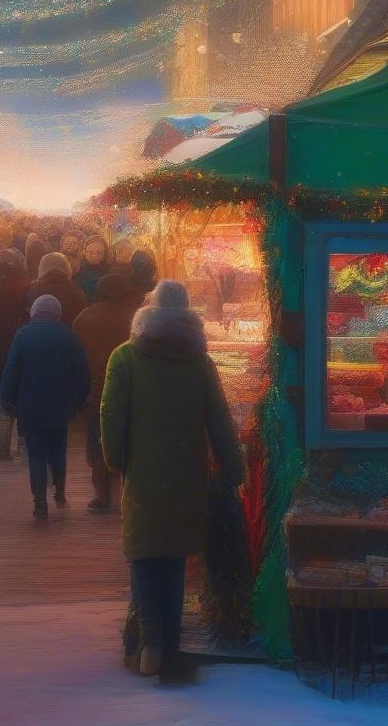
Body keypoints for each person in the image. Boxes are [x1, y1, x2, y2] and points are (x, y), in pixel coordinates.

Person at [100, 280, 244, 678]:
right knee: (175, 556)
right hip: (186, 470)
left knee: (145, 554)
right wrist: (233, 470)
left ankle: (151, 645)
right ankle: (172, 642)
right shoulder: (199, 362)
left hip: (144, 472)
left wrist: (116, 461)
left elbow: (112, 416)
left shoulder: (125, 357)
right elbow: (218, 420)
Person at [0, 296, 90, 519]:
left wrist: (7, 399)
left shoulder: (23, 335)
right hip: (60, 405)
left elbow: (11, 371)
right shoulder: (68, 336)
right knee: (58, 449)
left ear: (34, 312)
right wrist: (78, 399)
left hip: (30, 405)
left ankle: (40, 502)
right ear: (57, 313)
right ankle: (59, 493)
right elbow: (82, 372)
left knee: (36, 452)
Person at [72, 273, 133, 512]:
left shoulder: (83, 318)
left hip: (96, 390)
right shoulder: (129, 319)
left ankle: (102, 494)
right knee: (128, 440)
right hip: (125, 390)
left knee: (98, 442)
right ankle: (128, 493)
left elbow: (76, 359)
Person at [0, 248, 31, 461]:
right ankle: (23, 443)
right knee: (23, 397)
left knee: (4, 401)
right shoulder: (26, 285)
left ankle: (1, 448)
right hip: (21, 345)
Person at [27, 253, 87, 327]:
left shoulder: (33, 291)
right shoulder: (77, 292)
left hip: (38, 336)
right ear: (68, 269)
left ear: (41, 270)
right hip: (67, 336)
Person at [74, 234, 113, 303]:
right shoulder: (77, 268)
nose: (95, 255)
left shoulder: (110, 271)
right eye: (91, 252)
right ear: (84, 252)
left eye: (99, 253)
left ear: (104, 254)